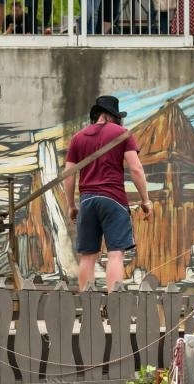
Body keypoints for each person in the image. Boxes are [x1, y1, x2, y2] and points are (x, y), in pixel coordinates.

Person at [61, 95, 150, 293]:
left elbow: (68, 175)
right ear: (112, 117)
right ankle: (114, 303)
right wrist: (146, 200)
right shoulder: (122, 134)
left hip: (87, 200)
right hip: (114, 200)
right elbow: (136, 169)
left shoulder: (78, 138)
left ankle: (87, 305)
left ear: (97, 115)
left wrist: (71, 205)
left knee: (88, 256)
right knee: (115, 254)